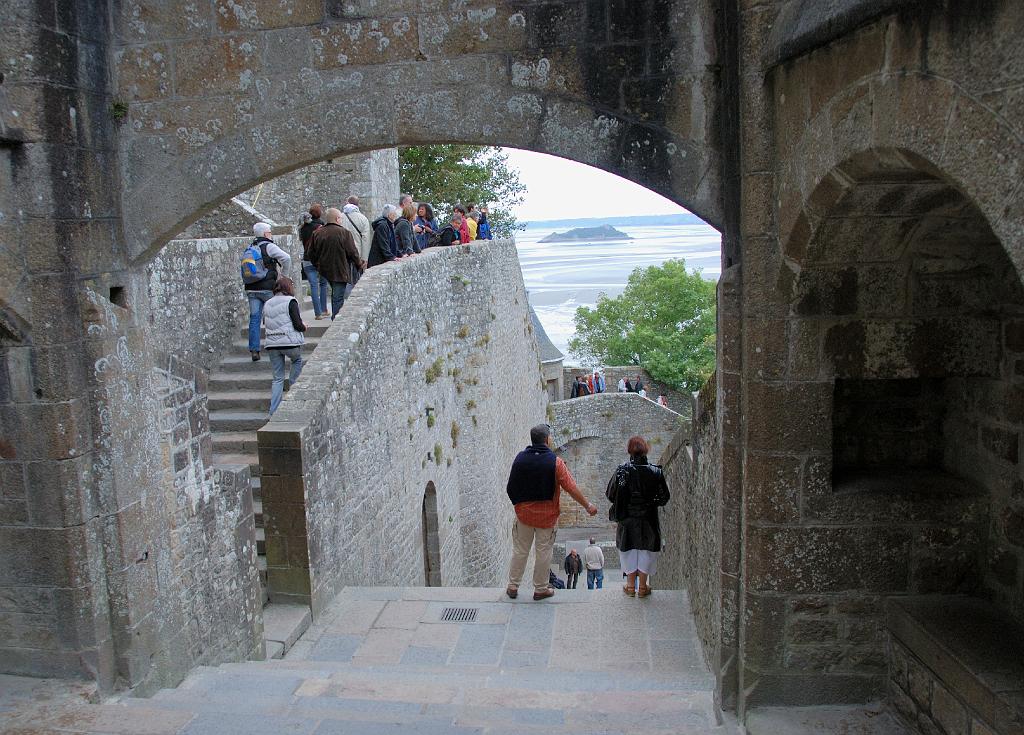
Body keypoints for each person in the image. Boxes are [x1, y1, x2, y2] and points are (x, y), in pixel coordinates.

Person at [506, 424, 598, 601]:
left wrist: (518, 506)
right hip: (546, 518)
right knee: (543, 553)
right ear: (547, 439)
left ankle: (513, 585)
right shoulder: (556, 463)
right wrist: (588, 506)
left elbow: (511, 488)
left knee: (520, 551)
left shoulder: (520, 459)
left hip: (524, 516)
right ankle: (540, 588)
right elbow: (571, 487)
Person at [606, 436, 670, 597]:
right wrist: (649, 501)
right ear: (646, 450)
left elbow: (610, 494)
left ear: (630, 451)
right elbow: (664, 498)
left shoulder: (622, 470)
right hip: (648, 518)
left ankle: (629, 586)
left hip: (627, 518)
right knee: (646, 551)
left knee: (629, 550)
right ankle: (642, 587)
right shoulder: (656, 471)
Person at [243, 222, 291, 362]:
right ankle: (276, 346)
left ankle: (254, 350)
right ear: (265, 234)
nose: (271, 234)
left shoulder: (251, 247)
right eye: (269, 231)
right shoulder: (269, 246)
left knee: (254, 319)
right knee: (274, 316)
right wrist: (284, 277)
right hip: (267, 288)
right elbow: (286, 258)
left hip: (251, 288)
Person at [306, 207, 364, 319]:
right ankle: (336, 320)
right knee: (338, 297)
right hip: (340, 269)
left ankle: (335, 317)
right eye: (341, 218)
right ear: (337, 219)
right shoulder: (344, 233)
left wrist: (317, 265)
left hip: (324, 269)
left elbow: (310, 253)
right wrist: (359, 264)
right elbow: (353, 252)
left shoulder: (317, 233)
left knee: (335, 295)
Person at [263, 276, 306, 415]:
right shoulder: (291, 301)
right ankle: (293, 393)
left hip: (272, 344)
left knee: (277, 378)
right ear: (288, 287)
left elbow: (266, 323)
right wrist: (304, 327)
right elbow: (297, 324)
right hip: (289, 342)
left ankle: (273, 411)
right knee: (297, 360)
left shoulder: (267, 303)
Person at [298, 204, 327, 319]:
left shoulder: (303, 228)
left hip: (307, 259)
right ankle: (324, 309)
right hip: (320, 259)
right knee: (323, 284)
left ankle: (318, 313)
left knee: (313, 286)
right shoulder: (321, 226)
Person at [341, 196, 372, 288]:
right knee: (356, 278)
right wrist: (365, 258)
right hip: (356, 253)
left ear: (347, 203)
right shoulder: (363, 218)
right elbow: (365, 239)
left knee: (344, 278)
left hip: (342, 252)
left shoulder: (340, 217)